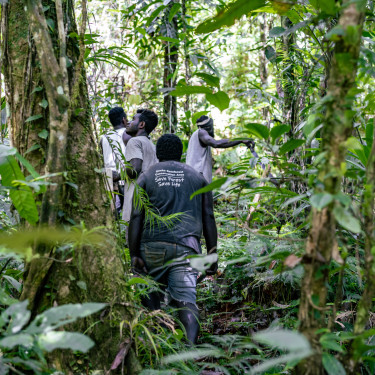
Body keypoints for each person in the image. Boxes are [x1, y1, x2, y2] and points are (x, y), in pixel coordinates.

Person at [128, 134, 218, 345]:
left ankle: (158, 346)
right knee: (187, 302)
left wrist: (134, 254)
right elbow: (209, 218)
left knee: (151, 298)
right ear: (181, 153)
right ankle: (189, 352)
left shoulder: (146, 176)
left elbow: (136, 217)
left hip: (151, 247)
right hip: (187, 248)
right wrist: (212, 254)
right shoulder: (198, 178)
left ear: (158, 153)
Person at [186, 115, 255, 183]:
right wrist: (240, 140)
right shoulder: (201, 132)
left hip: (194, 177)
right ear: (207, 127)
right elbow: (216, 143)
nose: (212, 130)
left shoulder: (197, 137)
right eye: (211, 127)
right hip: (197, 177)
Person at [122, 109, 159, 222]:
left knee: (132, 235)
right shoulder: (151, 145)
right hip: (149, 199)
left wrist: (119, 173)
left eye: (133, 119)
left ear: (142, 124)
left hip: (135, 198)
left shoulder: (134, 141)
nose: (128, 122)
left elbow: (134, 170)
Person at [100, 107, 131, 216]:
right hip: (124, 176)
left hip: (109, 176)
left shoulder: (104, 137)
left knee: (113, 212)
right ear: (124, 120)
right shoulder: (129, 134)